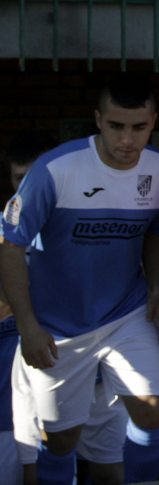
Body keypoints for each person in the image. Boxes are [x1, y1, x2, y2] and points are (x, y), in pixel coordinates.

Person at [0, 74, 159, 485]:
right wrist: (28, 327)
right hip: (58, 326)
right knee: (61, 440)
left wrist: (156, 289)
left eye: (139, 127)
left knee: (153, 410)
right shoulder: (54, 169)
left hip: (127, 313)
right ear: (98, 120)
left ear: (153, 121)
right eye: (116, 126)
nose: (128, 139)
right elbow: (10, 247)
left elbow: (158, 232)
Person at [1, 131, 57, 485]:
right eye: (19, 178)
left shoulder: (74, 224)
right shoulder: (4, 228)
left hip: (74, 350)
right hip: (12, 361)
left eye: (34, 176)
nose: (27, 187)